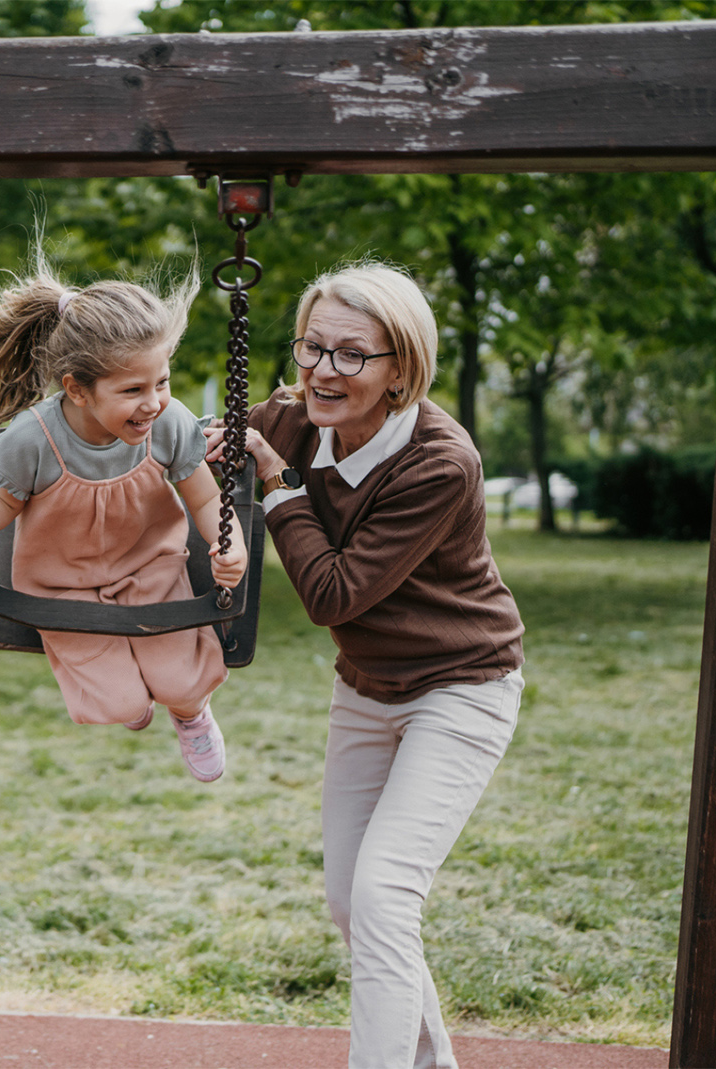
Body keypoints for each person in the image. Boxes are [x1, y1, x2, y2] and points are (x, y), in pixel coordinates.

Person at [217, 262, 524, 1068]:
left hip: (463, 687)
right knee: (352, 903)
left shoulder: (439, 461)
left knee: (385, 894)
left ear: (401, 369)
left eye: (352, 354)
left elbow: (335, 592)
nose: (323, 369)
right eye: (313, 346)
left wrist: (278, 486)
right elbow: (197, 453)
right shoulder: (288, 418)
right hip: (366, 687)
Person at [0, 262, 248, 782]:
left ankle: (191, 716)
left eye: (161, 381)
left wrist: (229, 547)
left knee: (182, 681)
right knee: (120, 702)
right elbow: (3, 503)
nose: (153, 402)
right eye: (132, 390)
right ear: (77, 390)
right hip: (60, 583)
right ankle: (135, 698)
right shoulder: (34, 438)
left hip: (151, 567)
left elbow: (207, 500)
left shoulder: (167, 424)